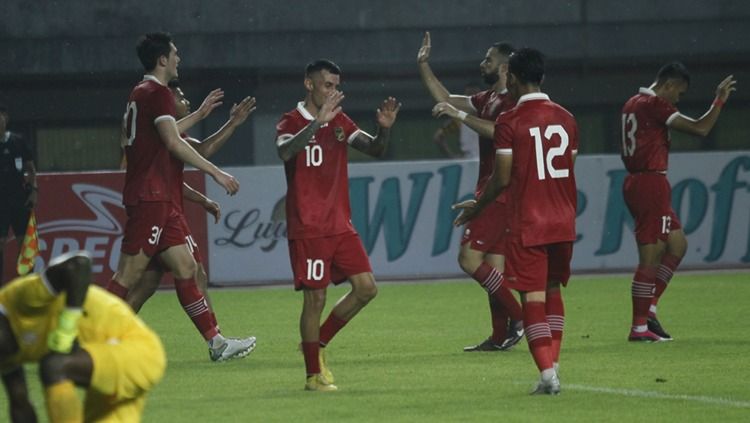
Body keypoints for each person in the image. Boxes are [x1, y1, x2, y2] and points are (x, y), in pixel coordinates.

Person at [105, 32, 251, 362]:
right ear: (162, 60)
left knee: (187, 268)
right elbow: (173, 142)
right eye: (175, 54)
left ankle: (217, 342)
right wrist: (215, 172)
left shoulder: (142, 92)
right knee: (128, 277)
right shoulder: (156, 93)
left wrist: (199, 115)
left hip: (160, 200)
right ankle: (94, 340)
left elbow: (165, 135)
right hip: (151, 197)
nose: (178, 59)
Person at [455, 47, 578, 395]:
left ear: (514, 78)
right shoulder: (567, 118)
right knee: (554, 292)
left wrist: (477, 206)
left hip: (530, 221)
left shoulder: (510, 122)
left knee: (533, 300)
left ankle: (547, 376)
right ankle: (553, 366)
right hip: (564, 219)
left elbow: (502, 178)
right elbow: (568, 167)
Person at [276, 59, 400, 391]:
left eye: (335, 86)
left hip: (340, 224)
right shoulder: (291, 121)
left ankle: (317, 345)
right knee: (315, 300)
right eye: (327, 85)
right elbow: (285, 152)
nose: (333, 91)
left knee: (366, 288)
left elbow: (374, 149)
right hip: (309, 225)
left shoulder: (341, 121)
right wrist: (316, 123)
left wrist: (384, 129)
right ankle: (312, 376)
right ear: (309, 84)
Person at [418, 31, 524, 352]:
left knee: (468, 259)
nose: (483, 63)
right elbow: (446, 99)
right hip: (492, 188)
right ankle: (498, 335)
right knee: (493, 266)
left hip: (502, 190)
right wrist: (423, 65)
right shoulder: (489, 98)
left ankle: (521, 319)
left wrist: (460, 116)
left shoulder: (514, 101)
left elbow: (500, 132)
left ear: (505, 67)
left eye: (488, 59)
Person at [620, 63, 736, 342]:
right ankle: (638, 328)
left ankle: (649, 309)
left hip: (642, 180)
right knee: (650, 257)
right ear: (669, 85)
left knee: (677, 244)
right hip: (649, 183)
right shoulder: (654, 104)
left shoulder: (632, 103)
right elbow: (701, 128)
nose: (677, 100)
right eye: (679, 94)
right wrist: (719, 100)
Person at [0, 251, 166, 422]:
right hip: (105, 366)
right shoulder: (4, 350)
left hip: (136, 349)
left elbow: (79, 264)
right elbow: (19, 402)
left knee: (54, 365)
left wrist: (67, 328)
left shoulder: (21, 297)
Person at [0, 104, 37, 283]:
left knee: (25, 244)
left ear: (5, 118)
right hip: (1, 203)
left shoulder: (18, 141)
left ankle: (28, 284)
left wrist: (34, 190)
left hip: (19, 200)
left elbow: (30, 168)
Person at [432, 83, 481, 159]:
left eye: (474, 95)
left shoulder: (490, 117)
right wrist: (451, 156)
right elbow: (438, 137)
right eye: (469, 96)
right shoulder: (458, 120)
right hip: (468, 161)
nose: (472, 99)